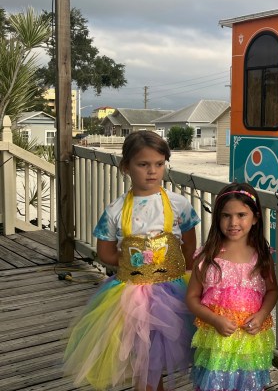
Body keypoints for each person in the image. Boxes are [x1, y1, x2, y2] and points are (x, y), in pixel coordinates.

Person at [63, 130, 200, 391]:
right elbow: (104, 252)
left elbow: (189, 248)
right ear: (126, 167)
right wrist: (131, 265)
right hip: (132, 296)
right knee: (143, 355)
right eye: (143, 164)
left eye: (159, 164)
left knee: (161, 351)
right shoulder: (116, 210)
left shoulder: (179, 205)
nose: (152, 171)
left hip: (173, 291)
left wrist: (183, 273)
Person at [186, 182, 278, 391]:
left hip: (249, 344)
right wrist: (215, 320)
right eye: (226, 215)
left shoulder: (262, 256)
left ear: (255, 218)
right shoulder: (207, 257)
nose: (233, 222)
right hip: (217, 344)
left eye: (241, 215)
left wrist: (262, 314)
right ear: (217, 218)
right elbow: (192, 298)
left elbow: (272, 291)